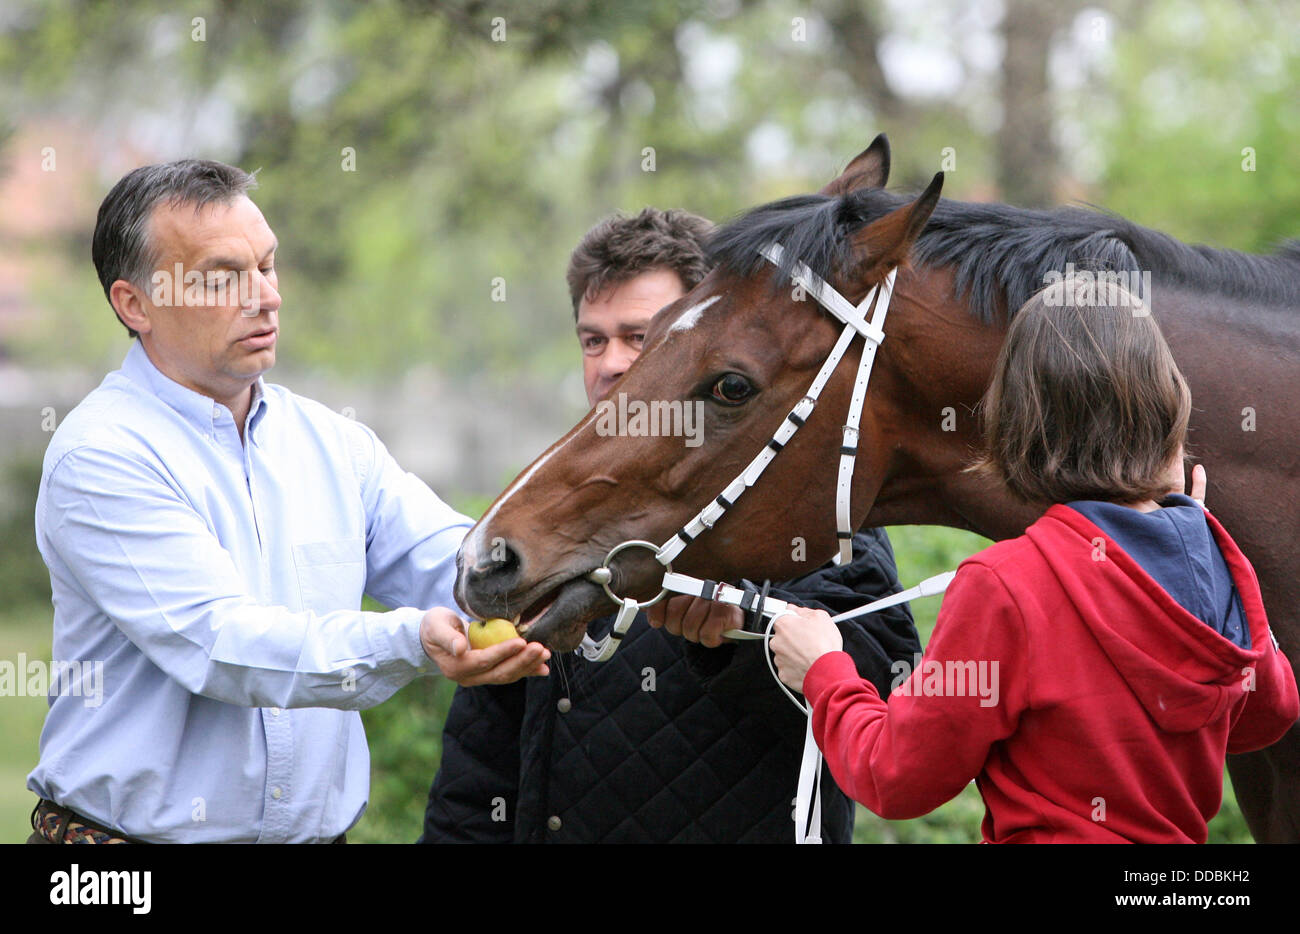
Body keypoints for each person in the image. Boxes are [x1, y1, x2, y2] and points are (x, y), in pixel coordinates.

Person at [27, 159, 548, 844]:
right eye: (223, 277)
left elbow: (459, 562)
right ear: (135, 304)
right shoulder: (101, 455)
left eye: (267, 267)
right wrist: (409, 637)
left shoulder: (332, 442)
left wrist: (611, 565)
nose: (265, 297)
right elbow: (221, 644)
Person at [420, 208, 921, 843]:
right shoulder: (551, 504)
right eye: (593, 339)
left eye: (641, 336)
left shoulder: (799, 485)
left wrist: (745, 632)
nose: (611, 363)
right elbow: (478, 772)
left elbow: (886, 682)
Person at [770, 275, 1300, 843]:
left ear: (1020, 416)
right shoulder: (1216, 559)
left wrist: (825, 672)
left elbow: (896, 776)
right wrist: (1193, 538)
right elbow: (1269, 713)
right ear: (1166, 402)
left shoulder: (1006, 587)